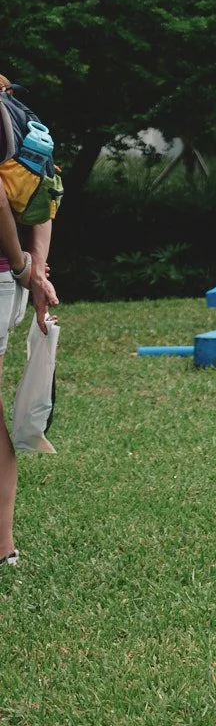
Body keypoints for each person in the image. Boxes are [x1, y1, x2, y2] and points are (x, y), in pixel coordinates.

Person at [0, 75, 60, 565]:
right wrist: (35, 271)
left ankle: (3, 548)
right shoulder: (17, 110)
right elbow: (47, 196)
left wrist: (24, 268)